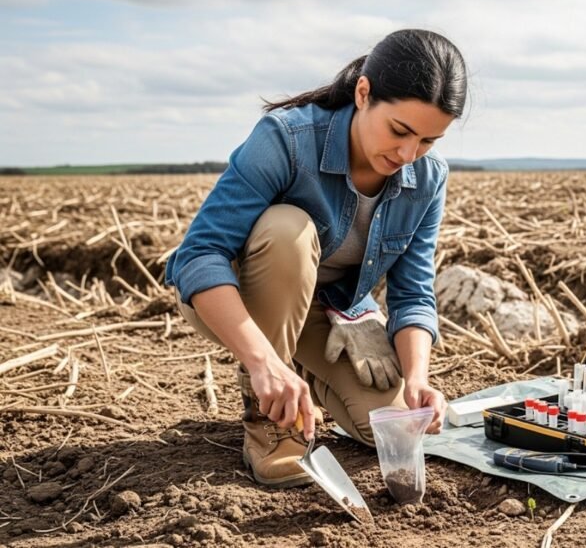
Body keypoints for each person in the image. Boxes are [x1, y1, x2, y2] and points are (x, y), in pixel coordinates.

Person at [165, 29, 467, 487]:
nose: (408, 154)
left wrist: (417, 380)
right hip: (237, 298)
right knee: (288, 229)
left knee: (391, 428)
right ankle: (268, 414)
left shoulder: (427, 178)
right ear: (363, 93)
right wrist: (265, 363)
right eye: (399, 131)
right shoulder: (286, 139)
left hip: (329, 311)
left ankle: (299, 370)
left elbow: (413, 294)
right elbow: (199, 256)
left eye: (428, 140)